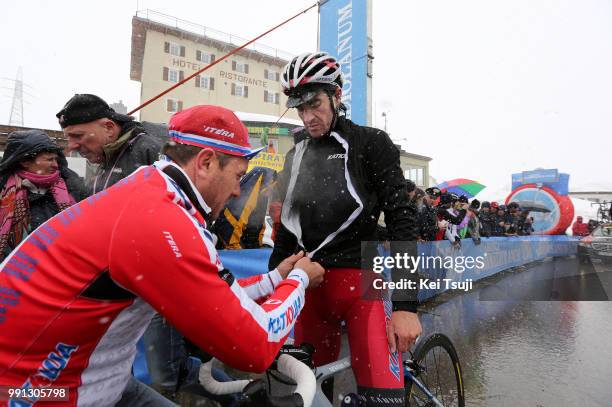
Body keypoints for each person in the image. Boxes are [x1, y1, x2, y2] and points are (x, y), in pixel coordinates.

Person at [0, 105, 325, 407]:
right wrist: (299, 280)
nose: (239, 190)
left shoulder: (156, 192)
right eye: (239, 175)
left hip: (92, 378)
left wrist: (277, 277)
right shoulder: (159, 221)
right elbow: (254, 347)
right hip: (43, 391)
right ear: (207, 162)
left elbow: (217, 291)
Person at [268, 52, 421, 406]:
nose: (308, 117)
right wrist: (272, 289)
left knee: (382, 399)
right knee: (310, 397)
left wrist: (406, 305)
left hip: (362, 279)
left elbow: (402, 219)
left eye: (315, 104)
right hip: (310, 284)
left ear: (337, 96)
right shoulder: (296, 155)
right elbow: (287, 232)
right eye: (300, 108)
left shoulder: (371, 143)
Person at [0, 130, 85, 260]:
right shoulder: (3, 189)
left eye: (56, 159)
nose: (55, 165)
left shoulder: (71, 186)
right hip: (13, 270)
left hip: (63, 265)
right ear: (25, 162)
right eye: (49, 159)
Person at [56, 94, 164, 195]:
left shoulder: (148, 152)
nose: (71, 145)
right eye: (68, 138)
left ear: (109, 128)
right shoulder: (106, 156)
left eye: (78, 135)